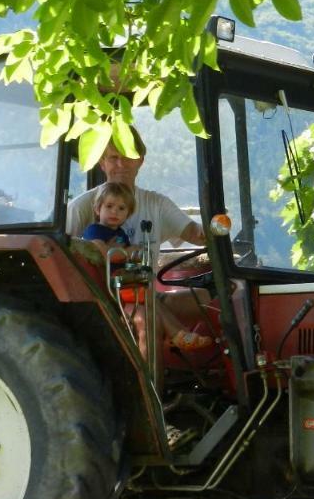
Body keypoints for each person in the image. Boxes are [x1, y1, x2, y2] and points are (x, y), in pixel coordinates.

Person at [69, 131, 212, 352]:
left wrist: (213, 229)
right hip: (103, 298)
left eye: (127, 156)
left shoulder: (156, 204)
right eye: (113, 157)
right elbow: (64, 251)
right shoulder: (82, 207)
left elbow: (194, 233)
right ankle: (151, 384)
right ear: (102, 163)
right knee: (146, 318)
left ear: (140, 161)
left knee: (204, 298)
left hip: (140, 289)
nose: (120, 164)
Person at [81, 181, 134, 251]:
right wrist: (126, 253)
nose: (115, 212)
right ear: (98, 209)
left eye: (121, 208)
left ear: (128, 214)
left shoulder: (121, 234)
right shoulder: (94, 231)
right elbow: (98, 252)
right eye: (109, 206)